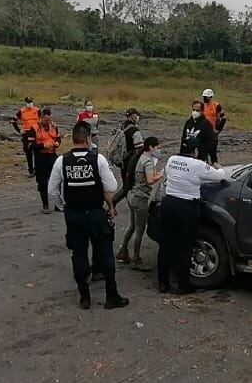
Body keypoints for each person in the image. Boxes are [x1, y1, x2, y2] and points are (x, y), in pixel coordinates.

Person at [47, 121, 129, 310]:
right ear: (89, 138)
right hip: (95, 213)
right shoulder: (97, 159)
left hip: (74, 215)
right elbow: (112, 187)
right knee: (105, 252)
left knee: (78, 254)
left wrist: (63, 206)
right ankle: (111, 295)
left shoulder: (62, 161)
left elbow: (52, 190)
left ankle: (84, 296)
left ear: (74, 138)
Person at [156, 144, 225, 295]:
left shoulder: (172, 159)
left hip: (168, 204)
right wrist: (220, 168)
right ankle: (183, 285)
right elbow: (219, 176)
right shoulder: (197, 164)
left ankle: (163, 283)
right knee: (185, 247)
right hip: (186, 207)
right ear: (196, 151)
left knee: (165, 245)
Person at [117, 136, 163, 268]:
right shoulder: (147, 161)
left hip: (132, 195)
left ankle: (123, 250)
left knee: (131, 226)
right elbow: (150, 180)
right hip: (140, 199)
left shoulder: (138, 157)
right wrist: (161, 174)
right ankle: (136, 259)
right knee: (139, 230)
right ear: (151, 147)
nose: (158, 150)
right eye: (157, 147)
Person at [112, 108, 146, 206]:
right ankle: (114, 201)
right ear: (132, 116)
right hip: (131, 160)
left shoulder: (122, 126)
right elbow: (139, 147)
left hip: (122, 160)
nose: (138, 117)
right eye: (137, 115)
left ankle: (129, 203)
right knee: (128, 186)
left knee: (126, 182)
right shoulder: (134, 130)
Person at [32, 108, 63, 213]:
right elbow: (30, 145)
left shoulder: (54, 126)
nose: (48, 122)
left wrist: (58, 142)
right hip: (40, 157)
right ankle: (45, 205)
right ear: (41, 118)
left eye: (49, 120)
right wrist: (42, 145)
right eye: (45, 120)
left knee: (57, 181)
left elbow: (58, 138)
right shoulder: (34, 128)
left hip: (52, 156)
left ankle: (58, 205)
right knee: (43, 183)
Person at [11, 96, 42, 176]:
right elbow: (13, 120)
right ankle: (31, 170)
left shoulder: (37, 110)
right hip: (26, 133)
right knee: (28, 152)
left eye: (31, 102)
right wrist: (19, 130)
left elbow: (43, 120)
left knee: (37, 151)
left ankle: (38, 169)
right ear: (25, 103)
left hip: (36, 133)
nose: (30, 104)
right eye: (28, 102)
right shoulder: (22, 111)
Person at [200, 89, 226, 165]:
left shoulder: (216, 106)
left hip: (212, 133)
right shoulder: (202, 106)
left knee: (213, 154)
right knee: (202, 153)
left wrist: (218, 130)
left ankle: (216, 170)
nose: (204, 99)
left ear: (210, 97)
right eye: (204, 97)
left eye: (206, 97)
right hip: (203, 132)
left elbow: (223, 118)